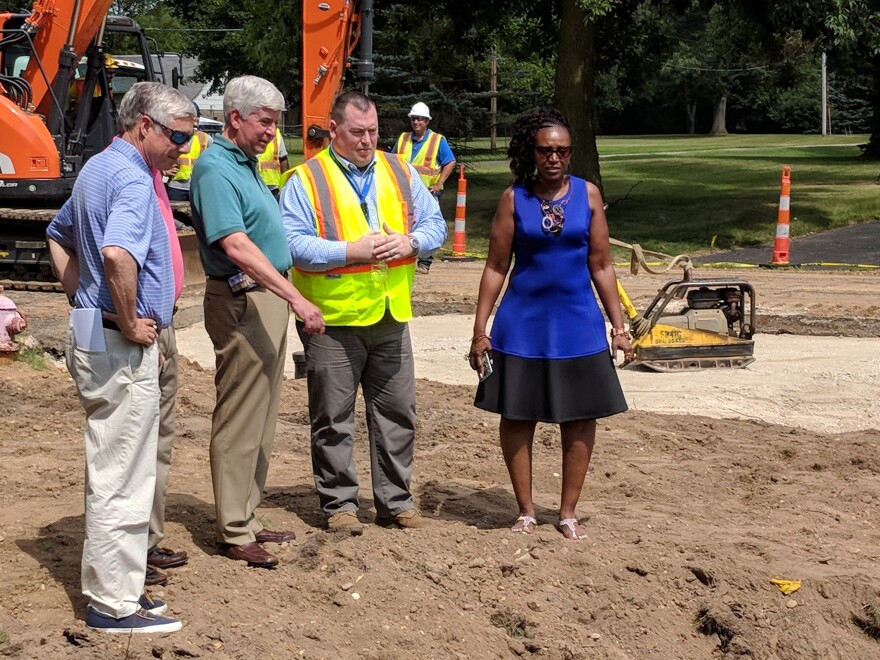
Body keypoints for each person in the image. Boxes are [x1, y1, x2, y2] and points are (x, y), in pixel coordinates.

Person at [46, 81, 195, 633]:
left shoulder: (97, 169)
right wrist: (129, 319)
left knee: (117, 463)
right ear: (144, 126)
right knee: (123, 472)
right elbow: (115, 253)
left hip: (94, 331)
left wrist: (80, 297)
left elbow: (57, 233)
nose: (184, 146)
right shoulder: (132, 179)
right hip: (117, 340)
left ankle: (124, 586)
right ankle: (113, 602)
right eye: (178, 135)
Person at [282, 91, 447, 535]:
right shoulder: (306, 179)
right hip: (332, 321)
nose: (367, 140)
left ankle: (396, 503)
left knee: (397, 414)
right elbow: (292, 243)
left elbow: (435, 225)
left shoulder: (400, 170)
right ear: (333, 130)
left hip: (390, 315)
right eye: (357, 132)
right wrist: (347, 250)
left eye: (373, 131)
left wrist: (412, 242)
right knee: (333, 417)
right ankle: (340, 505)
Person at [468, 108, 632, 541]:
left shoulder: (590, 196)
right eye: (546, 150)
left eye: (562, 150)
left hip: (578, 323)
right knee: (518, 415)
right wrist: (480, 328)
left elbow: (602, 265)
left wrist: (620, 326)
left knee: (579, 418)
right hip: (521, 325)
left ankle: (568, 512)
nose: (554, 158)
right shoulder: (513, 199)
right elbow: (495, 267)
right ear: (532, 152)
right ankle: (524, 510)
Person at [190, 75, 324, 569]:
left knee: (263, 413)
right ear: (235, 118)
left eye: (275, 123)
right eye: (265, 122)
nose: (272, 132)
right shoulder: (214, 169)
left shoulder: (243, 165)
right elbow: (237, 246)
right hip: (244, 299)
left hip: (262, 299)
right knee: (241, 413)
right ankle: (232, 526)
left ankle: (246, 514)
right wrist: (296, 298)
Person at [393, 101, 456, 274]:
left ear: (427, 121)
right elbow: (392, 161)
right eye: (414, 119)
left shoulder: (437, 140)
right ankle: (405, 256)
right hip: (404, 192)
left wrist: (439, 183)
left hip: (429, 192)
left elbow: (450, 162)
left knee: (428, 224)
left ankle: (425, 261)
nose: (416, 122)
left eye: (420, 119)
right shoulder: (403, 139)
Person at [165, 109, 212, 202]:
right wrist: (163, 170)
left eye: (196, 117)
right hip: (176, 186)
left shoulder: (206, 138)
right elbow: (160, 154)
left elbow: (216, 161)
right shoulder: (174, 135)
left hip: (198, 186)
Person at [257, 127, 290, 199]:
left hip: (274, 188)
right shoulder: (249, 132)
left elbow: (283, 160)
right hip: (254, 186)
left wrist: (286, 186)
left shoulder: (277, 134)